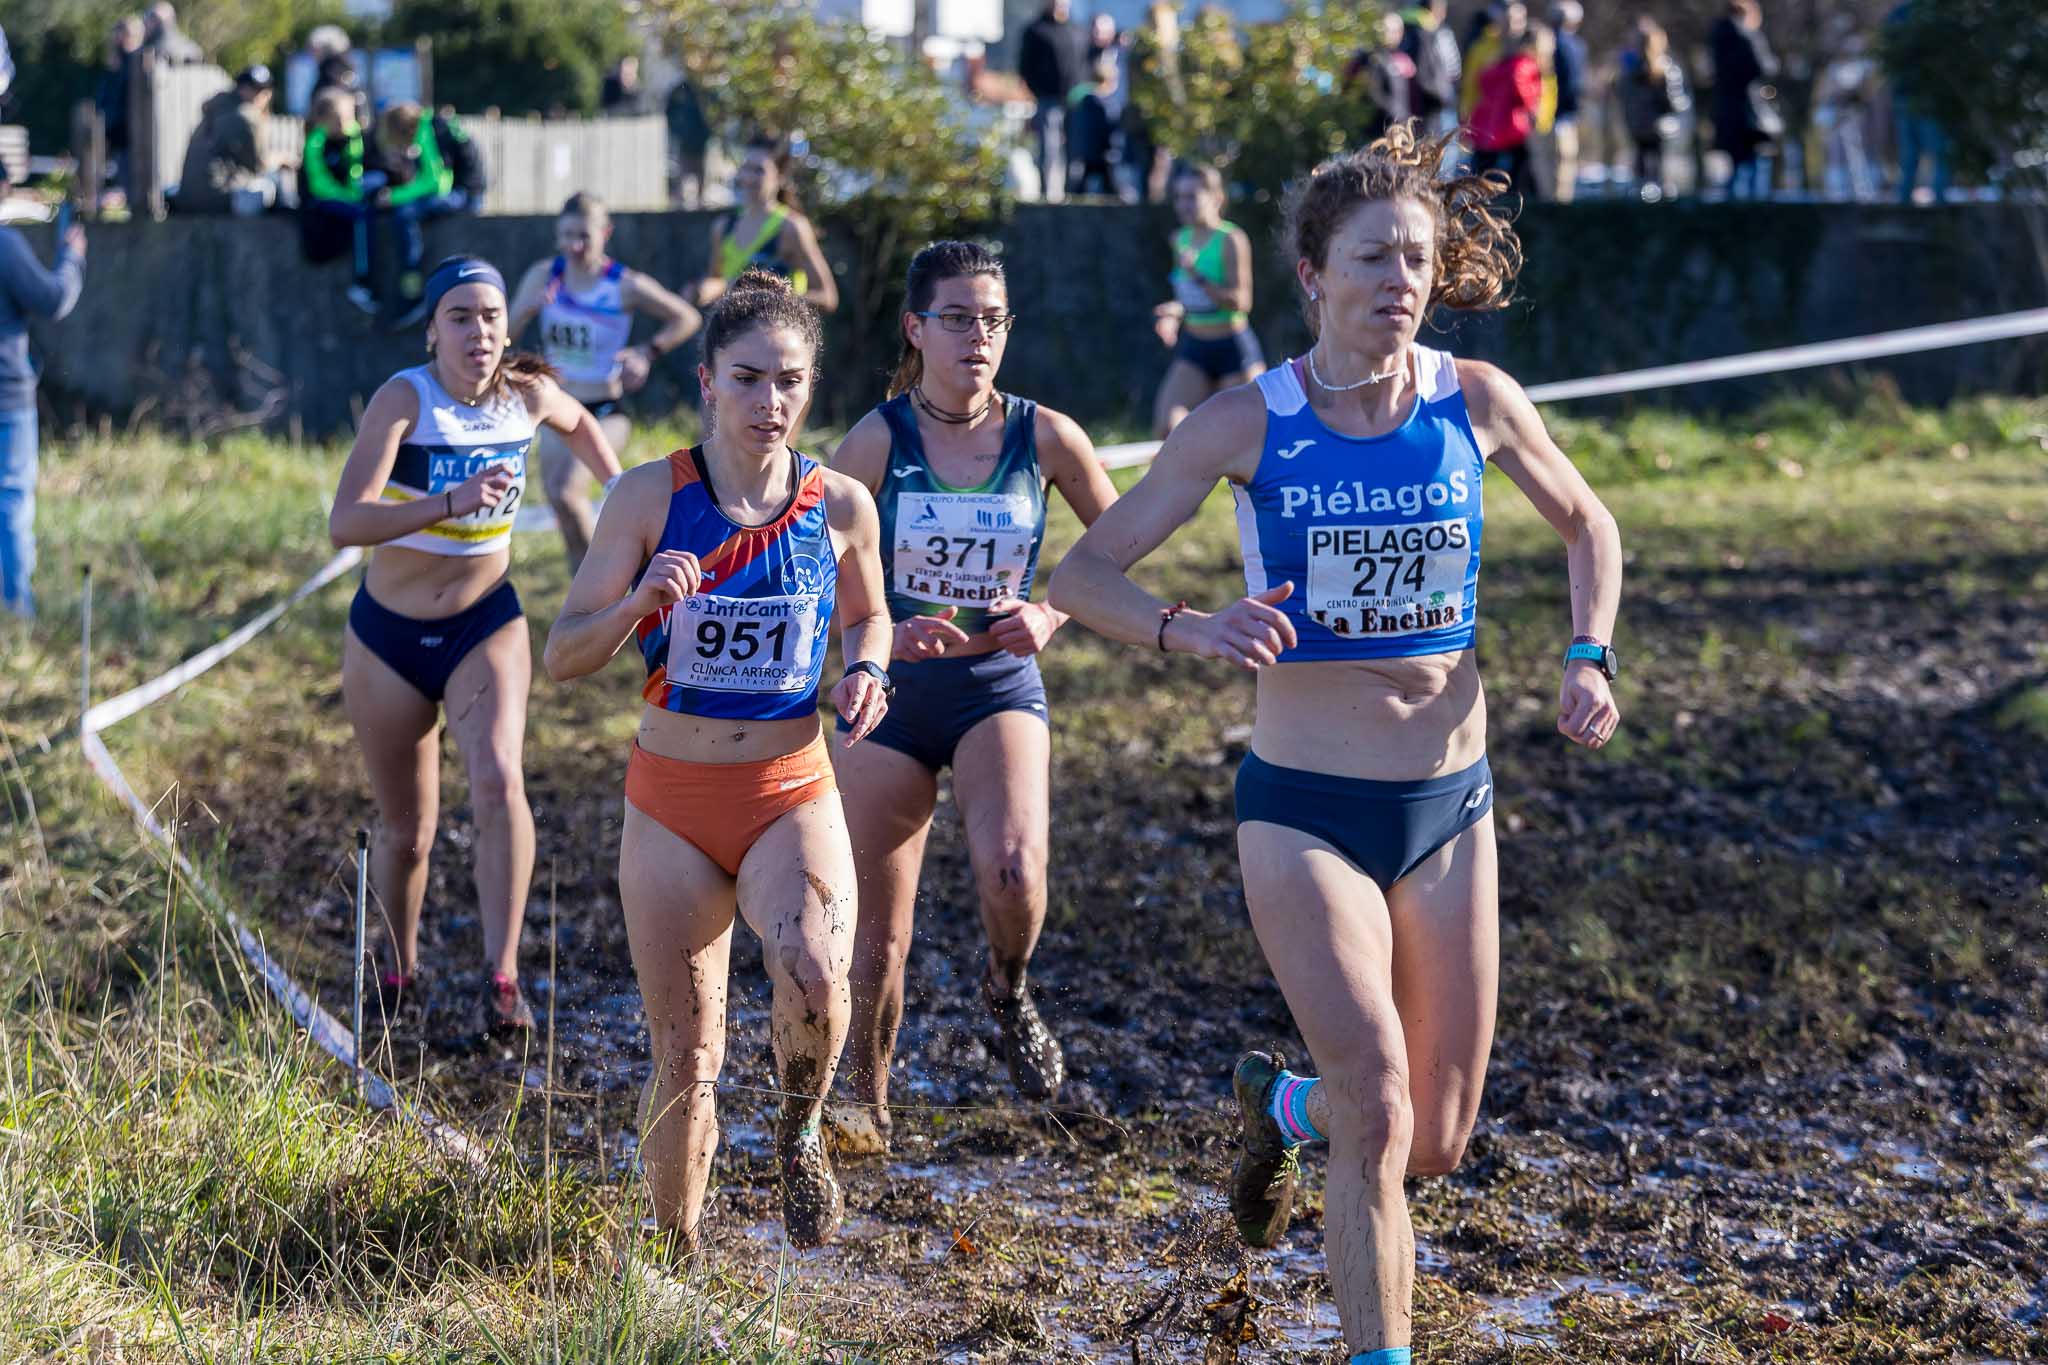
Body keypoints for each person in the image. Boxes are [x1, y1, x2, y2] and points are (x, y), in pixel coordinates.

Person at [1048, 124, 1624, 1365]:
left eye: (1415, 259)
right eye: (1370, 259)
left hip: (1450, 807)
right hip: (1303, 807)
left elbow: (1588, 525)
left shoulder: (1476, 401)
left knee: (1435, 1138)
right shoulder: (1240, 422)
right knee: (1376, 1097)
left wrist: (1587, 654)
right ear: (1310, 274)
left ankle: (1278, 1104)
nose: (1398, 282)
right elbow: (1082, 573)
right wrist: (1187, 631)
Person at [543, 269, 893, 1254]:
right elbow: (561, 656)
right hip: (671, 805)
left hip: (789, 791)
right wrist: (632, 605)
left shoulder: (842, 505)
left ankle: (797, 1127)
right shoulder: (648, 497)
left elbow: (869, 617)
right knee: (688, 1052)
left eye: (787, 381)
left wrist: (868, 671)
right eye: (746, 379)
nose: (767, 403)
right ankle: (674, 1251)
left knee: (818, 978)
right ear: (706, 381)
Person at [823, 241, 1118, 1152]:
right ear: (916, 330)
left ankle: (1008, 983)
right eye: (957, 318)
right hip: (891, 695)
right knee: (876, 937)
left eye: (992, 318)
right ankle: (865, 1107)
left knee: (1013, 869)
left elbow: (1119, 549)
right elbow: (809, 559)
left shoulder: (1047, 437)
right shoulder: (876, 440)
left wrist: (1050, 613)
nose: (977, 336)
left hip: (996, 683)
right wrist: (873, 638)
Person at [327, 255, 623, 1043]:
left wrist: (623, 493)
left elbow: (583, 423)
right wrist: (448, 502)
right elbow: (346, 521)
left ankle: (502, 977)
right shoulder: (405, 397)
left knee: (497, 780)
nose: (479, 331)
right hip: (387, 636)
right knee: (409, 831)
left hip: (483, 622)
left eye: (490, 315)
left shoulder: (525, 396)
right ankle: (397, 970)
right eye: (460, 316)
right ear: (432, 330)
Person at [508, 192, 701, 570]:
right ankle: (582, 592)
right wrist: (527, 308)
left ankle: (609, 579)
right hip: (556, 408)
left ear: (605, 233)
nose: (574, 246)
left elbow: (686, 317)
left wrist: (647, 352)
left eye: (583, 236)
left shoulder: (624, 284)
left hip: (605, 410)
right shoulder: (544, 275)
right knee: (560, 504)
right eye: (566, 236)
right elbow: (508, 336)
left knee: (568, 492)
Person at [0, 208, 85, 620]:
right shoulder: (5, 245)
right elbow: (53, 300)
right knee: (13, 499)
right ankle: (16, 609)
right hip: (7, 398)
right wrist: (72, 257)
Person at [1152, 162, 1264, 439]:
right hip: (1195, 346)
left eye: (1191, 197)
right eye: (1178, 197)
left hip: (1233, 348)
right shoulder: (1180, 238)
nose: (1183, 205)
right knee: (1167, 428)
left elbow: (1241, 302)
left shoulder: (1231, 239)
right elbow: (1189, 297)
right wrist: (1174, 313)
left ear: (1216, 198)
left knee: (1243, 438)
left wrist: (1198, 276)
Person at [690, 138, 838, 316]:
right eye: (745, 168)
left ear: (780, 177)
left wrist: (768, 299)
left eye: (759, 170)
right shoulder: (722, 227)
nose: (748, 177)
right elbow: (718, 282)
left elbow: (827, 297)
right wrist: (699, 291)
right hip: (734, 337)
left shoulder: (791, 227)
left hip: (777, 336)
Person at [375, 103, 487, 326]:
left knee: (405, 214)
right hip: (463, 189)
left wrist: (395, 196)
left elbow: (436, 182)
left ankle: (411, 286)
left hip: (465, 194)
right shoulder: (432, 125)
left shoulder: (430, 129)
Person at [300, 89, 378, 314]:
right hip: (322, 202)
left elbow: (356, 170)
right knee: (361, 214)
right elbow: (320, 185)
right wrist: (351, 197)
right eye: (339, 119)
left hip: (347, 196)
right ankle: (362, 281)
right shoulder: (316, 143)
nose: (346, 123)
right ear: (323, 120)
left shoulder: (354, 136)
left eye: (349, 117)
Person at [170, 65, 279, 216]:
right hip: (218, 202)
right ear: (241, 89)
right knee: (270, 184)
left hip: (187, 201)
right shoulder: (246, 116)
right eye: (255, 90)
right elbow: (258, 167)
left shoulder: (216, 109)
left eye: (262, 91)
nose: (259, 96)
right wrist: (281, 160)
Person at [1469, 26, 1549, 201]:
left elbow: (1483, 81)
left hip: (1492, 124)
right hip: (1512, 125)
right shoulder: (1524, 64)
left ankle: (1489, 199)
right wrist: (1531, 105)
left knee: (1490, 167)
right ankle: (1527, 200)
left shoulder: (1502, 62)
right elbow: (1519, 85)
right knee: (1523, 167)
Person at [1712, 0, 1779, 199]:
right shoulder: (1748, 38)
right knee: (1755, 168)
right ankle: (1755, 219)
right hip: (1750, 113)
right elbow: (1764, 68)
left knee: (1735, 169)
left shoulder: (1717, 37)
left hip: (1726, 112)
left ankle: (1732, 218)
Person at [1019, 0, 1086, 202]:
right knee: (1048, 148)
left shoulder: (1076, 30)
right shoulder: (1036, 30)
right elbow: (1025, 66)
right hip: (1048, 98)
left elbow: (1083, 63)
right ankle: (1047, 191)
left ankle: (1071, 191)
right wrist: (1039, 91)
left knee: (1075, 148)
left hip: (1075, 99)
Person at [1618, 17, 1690, 198]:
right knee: (1662, 171)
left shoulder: (1628, 69)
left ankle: (1641, 198)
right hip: (1661, 127)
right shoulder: (1666, 68)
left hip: (1637, 125)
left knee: (1641, 169)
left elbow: (1624, 97)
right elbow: (1674, 101)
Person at [1886, 0, 1948, 204]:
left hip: (1907, 95)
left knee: (1911, 155)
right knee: (1937, 152)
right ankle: (1938, 201)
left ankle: (1905, 200)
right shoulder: (1930, 13)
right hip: (1924, 96)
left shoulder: (1897, 17)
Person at [1345, 12, 1416, 143]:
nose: (1393, 34)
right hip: (1375, 131)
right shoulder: (1367, 59)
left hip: (1398, 129)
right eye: (1388, 30)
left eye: (1397, 31)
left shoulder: (1403, 59)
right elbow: (1369, 93)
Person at [96, 17, 144, 205]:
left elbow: (116, 102)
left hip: (126, 133)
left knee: (129, 180)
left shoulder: (130, 63)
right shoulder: (120, 64)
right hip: (120, 132)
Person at [1399, 0, 1461, 140]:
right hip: (1435, 101)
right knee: (1441, 145)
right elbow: (1449, 67)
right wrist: (1441, 95)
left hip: (1423, 101)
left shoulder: (1409, 28)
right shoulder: (1429, 31)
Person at [1546, 2, 1586, 201]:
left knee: (1557, 170)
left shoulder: (1554, 43)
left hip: (1554, 115)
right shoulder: (1574, 45)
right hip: (1562, 115)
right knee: (1562, 173)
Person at [1067, 58, 1120, 197]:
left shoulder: (1082, 102)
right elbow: (1107, 129)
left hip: (1083, 151)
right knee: (1107, 184)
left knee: (1083, 183)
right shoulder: (1103, 104)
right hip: (1099, 153)